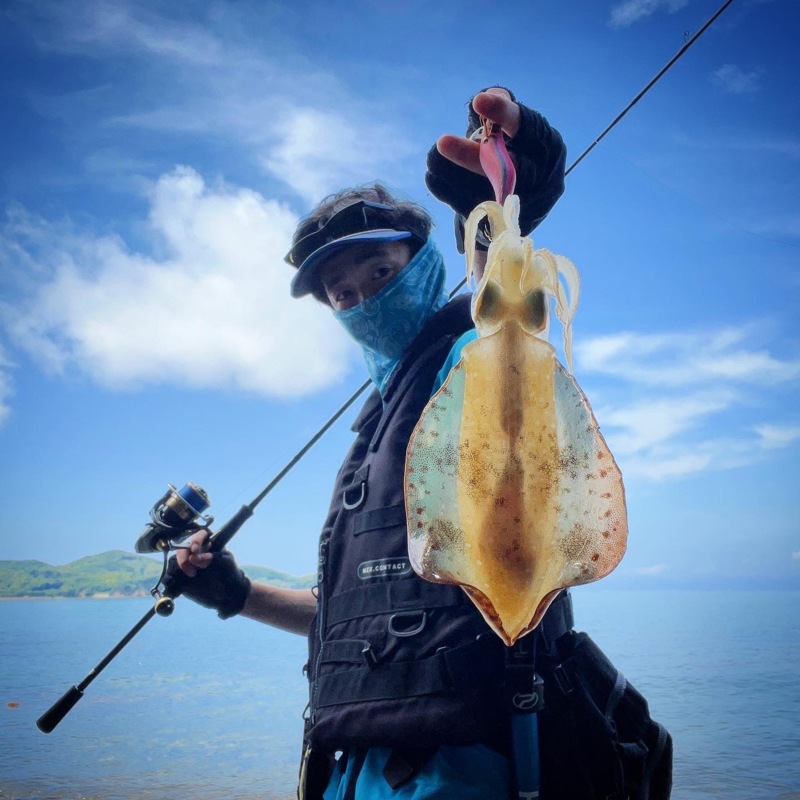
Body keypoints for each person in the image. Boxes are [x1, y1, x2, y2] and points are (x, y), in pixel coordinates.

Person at [172, 88, 672, 799]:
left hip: (462, 766)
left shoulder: (466, 357)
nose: (363, 298)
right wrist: (236, 593)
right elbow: (368, 617)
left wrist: (501, 204)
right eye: (341, 293)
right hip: (355, 767)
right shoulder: (377, 430)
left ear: (423, 261)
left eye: (380, 272)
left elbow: (496, 302)